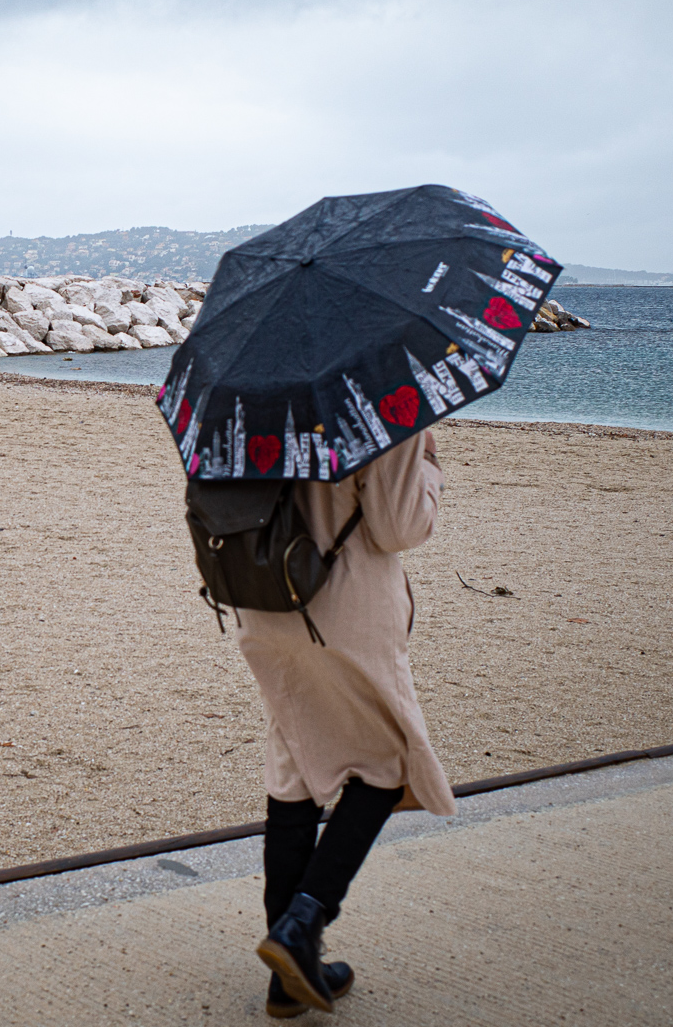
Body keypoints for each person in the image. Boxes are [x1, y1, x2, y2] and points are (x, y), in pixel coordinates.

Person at [240, 429, 453, 1016]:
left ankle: (289, 980)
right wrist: (428, 465)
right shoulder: (382, 397)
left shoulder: (249, 391)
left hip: (260, 589)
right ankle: (304, 921)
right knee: (387, 764)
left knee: (294, 768)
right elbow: (398, 527)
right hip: (343, 601)